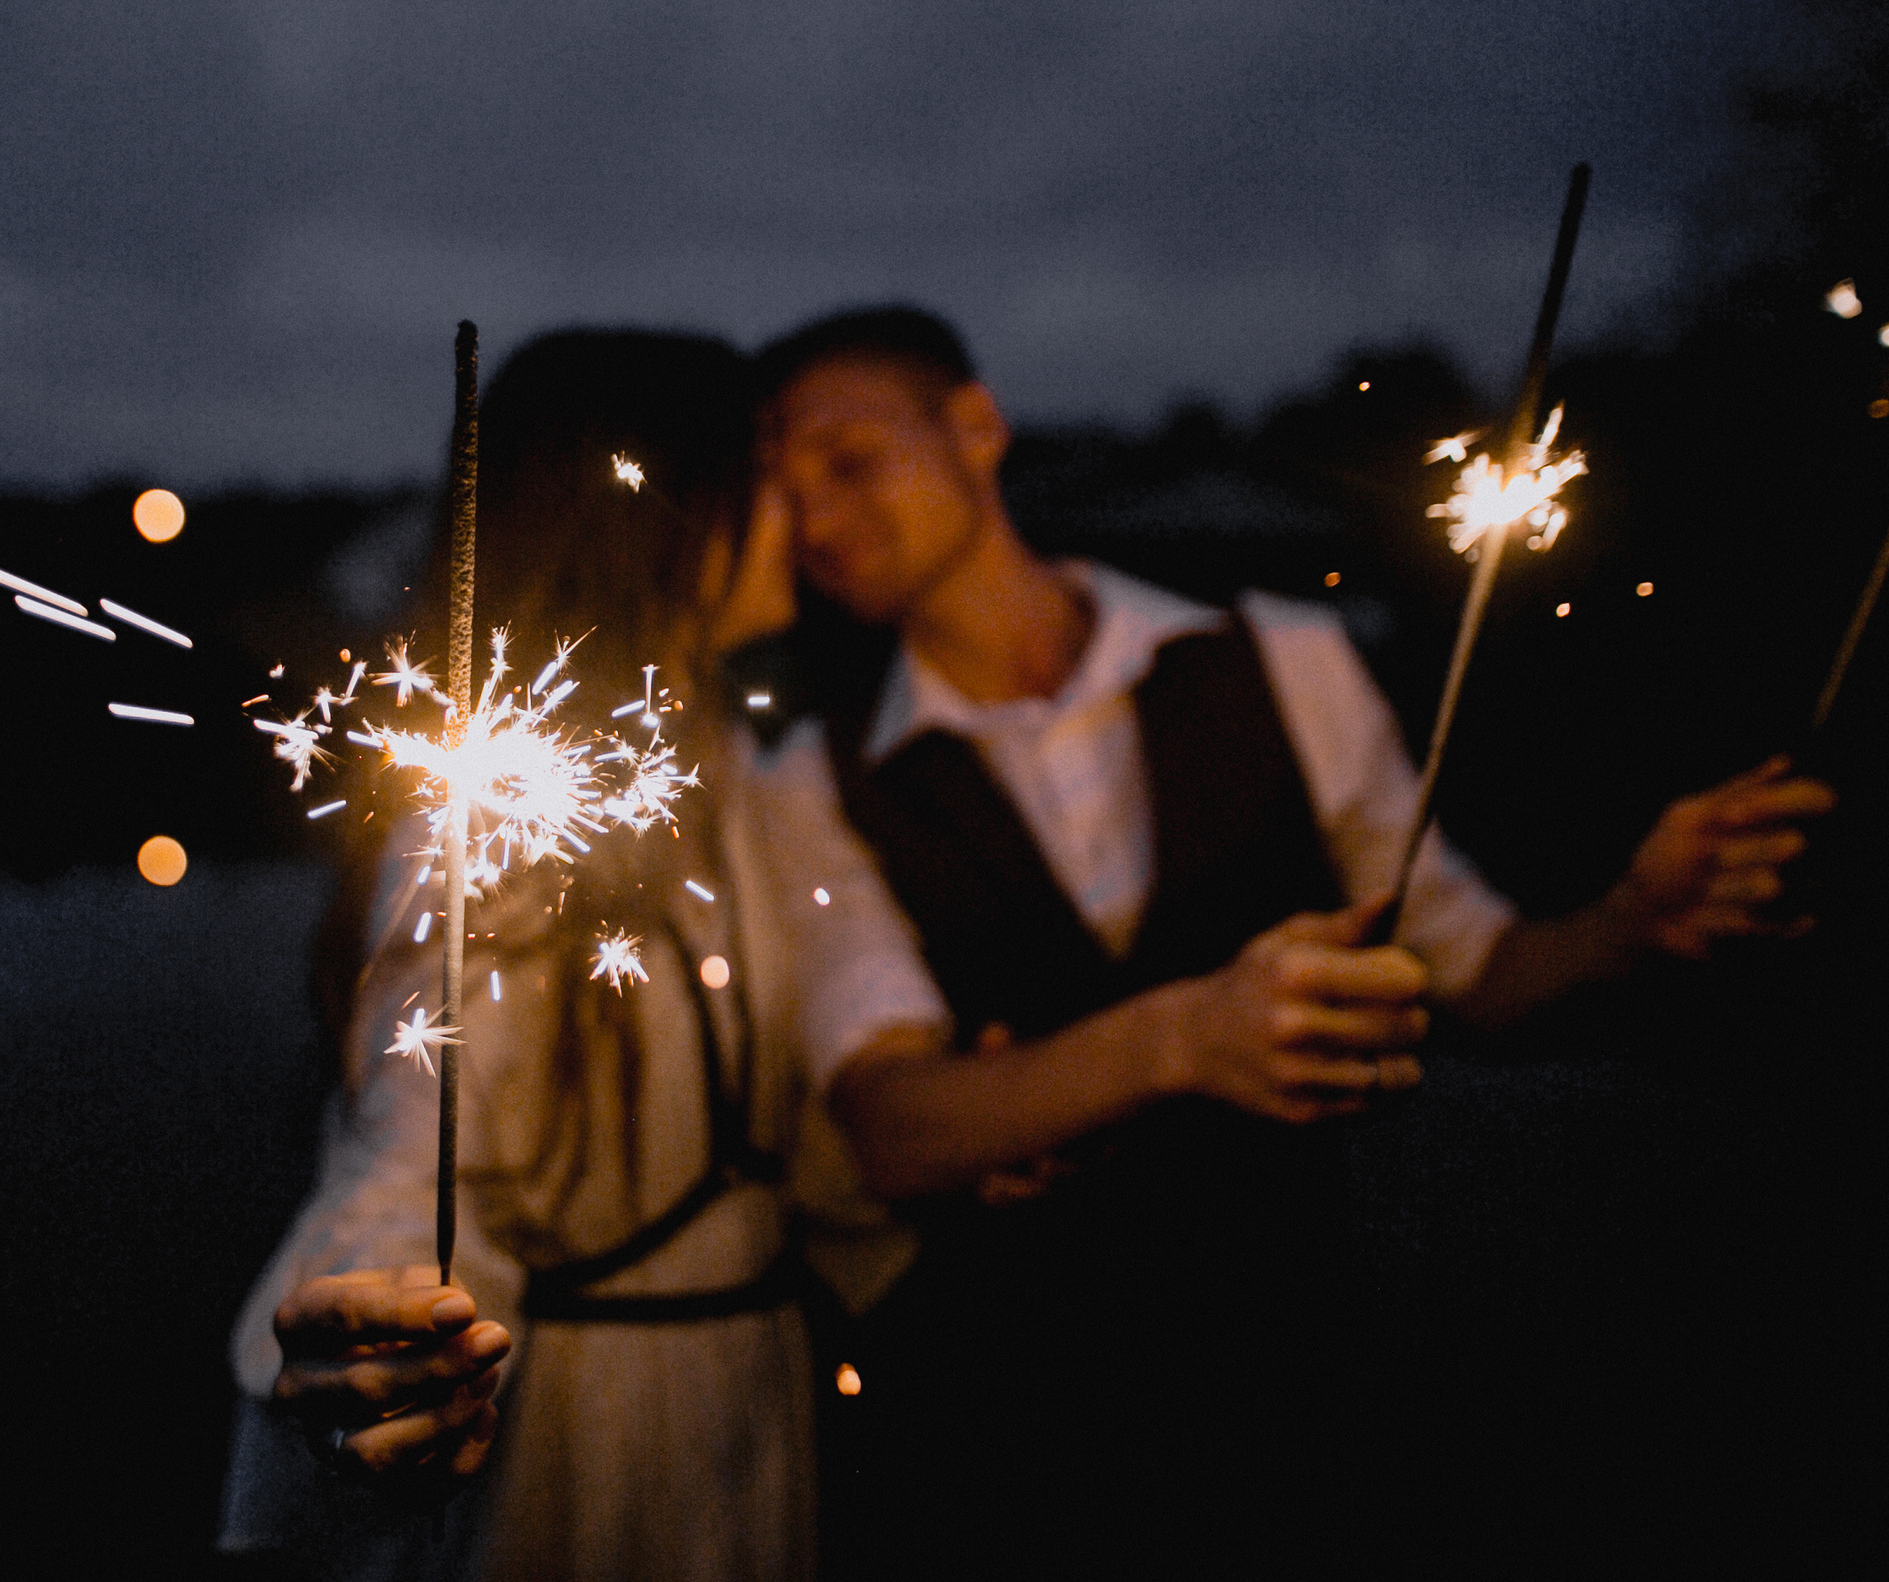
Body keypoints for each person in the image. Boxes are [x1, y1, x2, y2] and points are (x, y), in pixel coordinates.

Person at [737, 306, 1835, 1571]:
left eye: (848, 460)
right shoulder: (814, 778)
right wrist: (1178, 1037)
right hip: (1024, 1412)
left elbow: (1474, 972)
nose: (811, 518)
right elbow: (893, 1125)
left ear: (976, 428)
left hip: (1320, 1358)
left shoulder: (1287, 660)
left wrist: (1626, 922)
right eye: (781, 486)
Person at [216, 330, 823, 1581]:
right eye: (758, 467)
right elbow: (417, 1137)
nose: (796, 503)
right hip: (590, 1448)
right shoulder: (504, 828)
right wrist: (373, 1338)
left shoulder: (740, 779)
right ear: (647, 505)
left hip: (747, 1404)